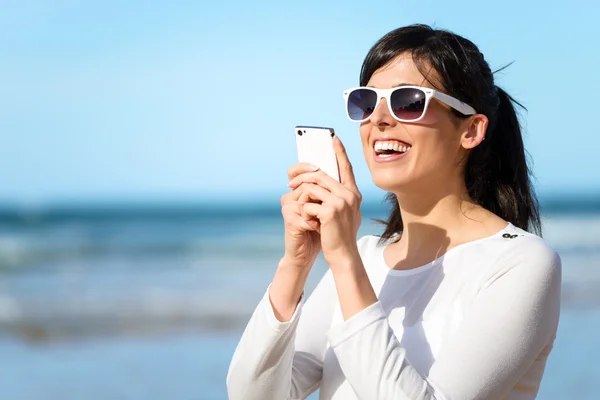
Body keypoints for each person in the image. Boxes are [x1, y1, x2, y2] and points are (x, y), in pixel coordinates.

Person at [226, 24, 561, 400]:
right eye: (366, 102)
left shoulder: (521, 263)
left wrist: (343, 258)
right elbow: (254, 396)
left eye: (408, 101)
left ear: (470, 130)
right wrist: (296, 263)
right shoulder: (365, 257)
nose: (379, 120)